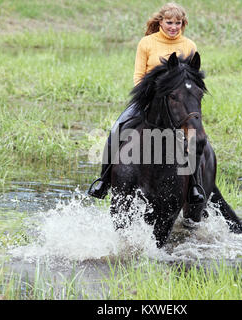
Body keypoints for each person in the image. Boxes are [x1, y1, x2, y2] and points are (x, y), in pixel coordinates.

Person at [88, 2, 205, 204]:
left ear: (183, 23)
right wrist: (150, 98)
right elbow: (138, 76)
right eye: (169, 22)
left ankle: (194, 185)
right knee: (117, 128)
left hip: (177, 104)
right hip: (149, 101)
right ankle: (104, 180)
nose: (173, 27)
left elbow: (191, 80)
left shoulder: (189, 46)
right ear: (161, 21)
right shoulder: (147, 43)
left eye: (178, 23)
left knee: (194, 138)